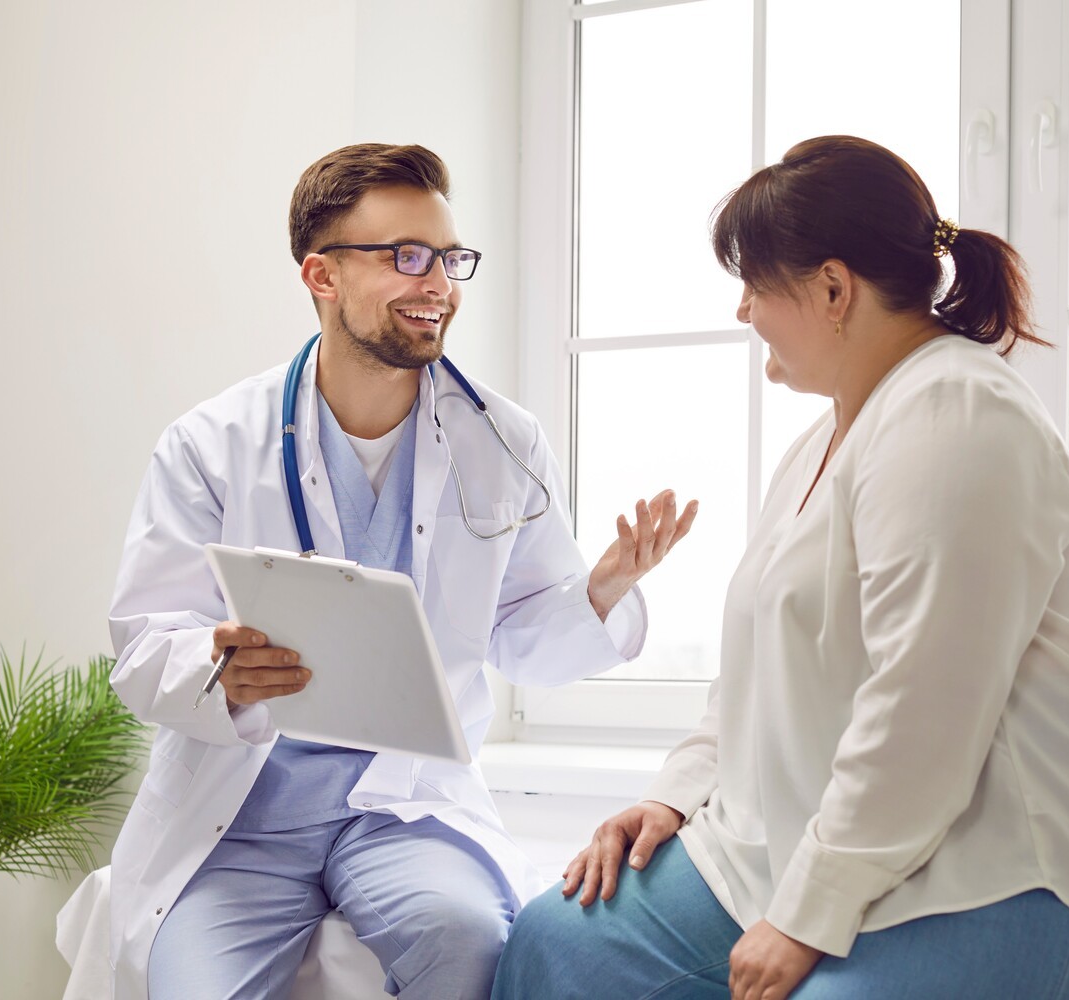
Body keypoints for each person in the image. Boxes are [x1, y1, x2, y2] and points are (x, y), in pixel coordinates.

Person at [491, 135, 1069, 1000]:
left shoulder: (959, 419)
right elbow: (756, 676)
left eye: (754, 285)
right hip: (809, 840)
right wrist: (677, 797)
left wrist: (807, 915)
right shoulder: (829, 436)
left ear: (834, 289)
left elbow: (923, 713)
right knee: (558, 942)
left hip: (1016, 863)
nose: (742, 310)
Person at [103, 142, 697, 1000]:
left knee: (467, 942)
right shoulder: (211, 445)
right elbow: (142, 646)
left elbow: (523, 644)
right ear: (322, 275)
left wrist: (600, 593)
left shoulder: (504, 441)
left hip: (406, 805)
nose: (440, 285)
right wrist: (217, 669)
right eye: (407, 257)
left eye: (450, 259)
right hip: (243, 815)